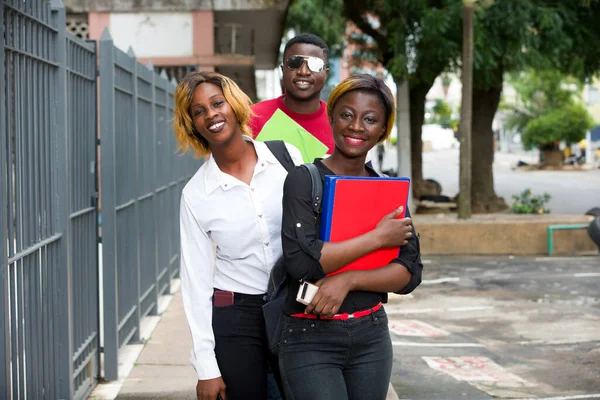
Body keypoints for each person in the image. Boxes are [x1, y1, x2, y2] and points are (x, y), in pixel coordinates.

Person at [279, 74, 423, 400]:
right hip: (309, 336)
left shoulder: (389, 191)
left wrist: (349, 280)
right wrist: (376, 239)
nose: (356, 126)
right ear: (331, 117)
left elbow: (409, 273)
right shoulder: (304, 180)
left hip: (371, 337)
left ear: (383, 130)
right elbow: (302, 264)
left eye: (370, 119)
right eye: (347, 114)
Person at [174, 71, 304, 400]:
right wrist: (206, 367)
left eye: (217, 103)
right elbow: (196, 282)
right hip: (237, 314)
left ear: (234, 105)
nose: (211, 114)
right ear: (192, 125)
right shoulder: (196, 194)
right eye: (199, 111)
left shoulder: (286, 157)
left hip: (295, 302)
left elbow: (315, 233)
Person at [249, 33, 335, 154]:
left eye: (315, 65)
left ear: (326, 74)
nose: (303, 72)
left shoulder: (338, 124)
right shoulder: (252, 117)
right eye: (294, 62)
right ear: (282, 70)